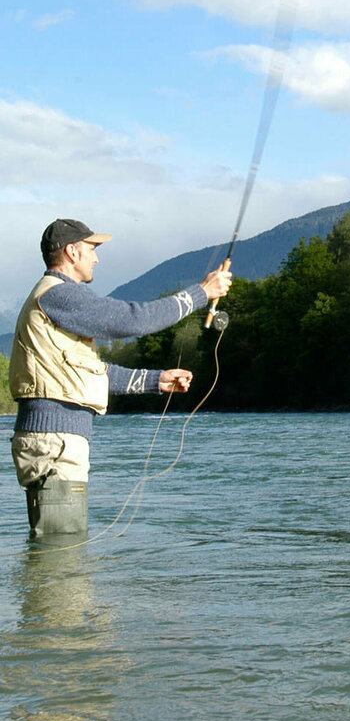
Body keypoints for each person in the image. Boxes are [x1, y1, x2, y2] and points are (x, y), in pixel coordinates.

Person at [9, 218, 232, 536]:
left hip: (54, 440)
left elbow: (90, 372)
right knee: (60, 554)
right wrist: (202, 293)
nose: (96, 258)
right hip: (55, 442)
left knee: (60, 555)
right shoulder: (60, 295)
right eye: (92, 249)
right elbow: (133, 319)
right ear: (72, 252)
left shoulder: (56, 299)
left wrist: (157, 381)